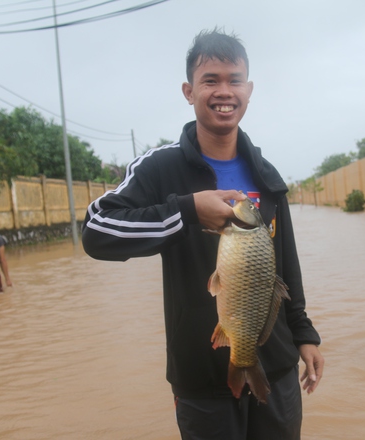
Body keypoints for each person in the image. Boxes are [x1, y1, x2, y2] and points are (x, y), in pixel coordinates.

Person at [82, 29, 324, 439]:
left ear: (249, 89)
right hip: (201, 375)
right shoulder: (161, 168)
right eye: (210, 80)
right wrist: (187, 210)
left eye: (234, 80)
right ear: (188, 91)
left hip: (278, 368)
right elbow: (96, 231)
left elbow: (285, 265)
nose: (223, 91)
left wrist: (304, 334)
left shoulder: (266, 176)